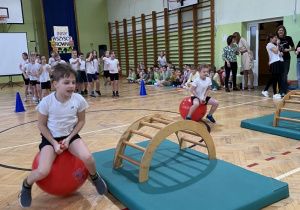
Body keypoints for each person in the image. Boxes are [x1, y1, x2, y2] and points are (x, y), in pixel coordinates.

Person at [18, 63, 107, 208]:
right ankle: (26, 185)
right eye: (66, 82)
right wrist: (54, 143)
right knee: (42, 171)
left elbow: (81, 121)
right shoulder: (46, 102)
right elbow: (41, 125)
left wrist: (70, 138)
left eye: (73, 82)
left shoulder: (79, 99)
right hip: (50, 139)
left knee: (88, 158)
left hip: (70, 136)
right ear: (55, 84)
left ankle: (94, 176)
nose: (71, 85)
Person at [261, 34, 283, 99]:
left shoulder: (274, 45)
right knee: (275, 78)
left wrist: (281, 54)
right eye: (275, 37)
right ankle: (275, 93)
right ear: (271, 38)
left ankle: (265, 90)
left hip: (277, 62)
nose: (276, 39)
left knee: (274, 77)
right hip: (275, 63)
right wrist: (278, 44)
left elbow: (276, 53)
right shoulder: (269, 44)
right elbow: (275, 52)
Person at [276, 25, 295, 96]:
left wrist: (288, 50)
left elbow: (293, 48)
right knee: (279, 75)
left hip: (286, 58)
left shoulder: (288, 38)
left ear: (284, 32)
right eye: (279, 30)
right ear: (277, 31)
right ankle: (280, 91)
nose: (281, 31)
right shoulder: (275, 39)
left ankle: (283, 91)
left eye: (282, 30)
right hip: (278, 59)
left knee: (284, 75)